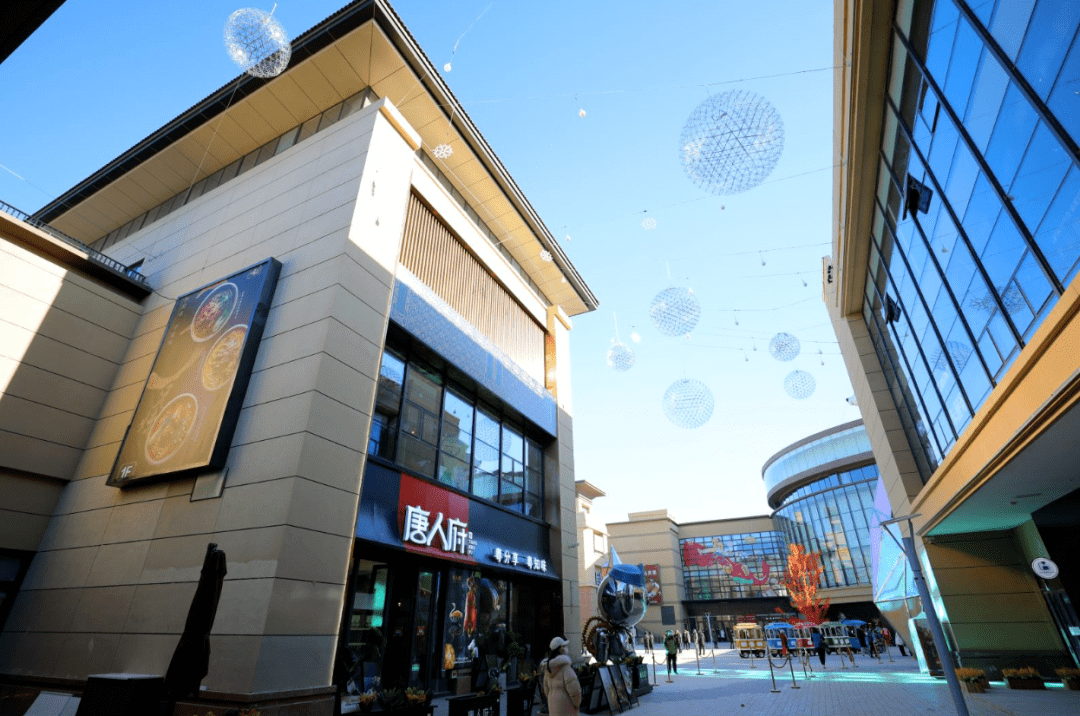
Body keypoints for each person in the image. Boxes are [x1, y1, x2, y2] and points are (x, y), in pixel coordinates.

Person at [541, 636, 581, 716]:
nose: (566, 648)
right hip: (567, 707)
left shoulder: (548, 668)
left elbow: (546, 690)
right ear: (560, 648)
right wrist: (577, 704)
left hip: (553, 706)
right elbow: (575, 690)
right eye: (564, 646)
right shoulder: (565, 668)